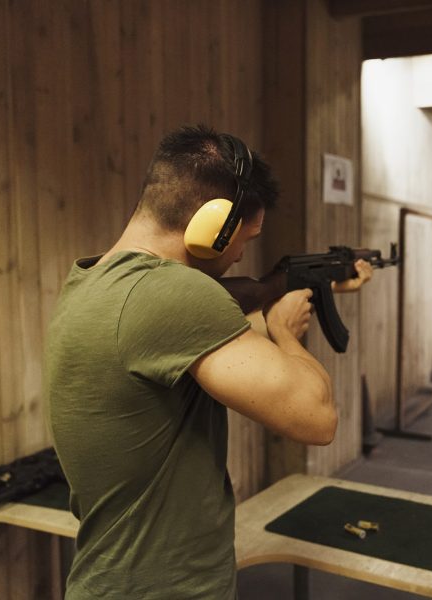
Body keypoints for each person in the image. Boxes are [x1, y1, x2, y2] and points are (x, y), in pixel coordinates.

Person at [45, 124, 372, 599]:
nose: (241, 254)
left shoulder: (92, 282)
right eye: (244, 237)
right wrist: (284, 330)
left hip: (113, 579)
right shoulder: (172, 293)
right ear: (212, 225)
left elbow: (218, 340)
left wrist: (315, 289)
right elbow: (317, 419)